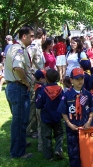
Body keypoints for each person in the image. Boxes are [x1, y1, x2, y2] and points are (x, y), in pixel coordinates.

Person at [4, 25, 35, 158]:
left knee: (20, 120)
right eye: (31, 36)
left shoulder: (14, 48)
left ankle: (20, 144)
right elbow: (18, 67)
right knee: (20, 121)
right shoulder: (19, 50)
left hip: (13, 87)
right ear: (24, 36)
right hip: (18, 87)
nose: (33, 38)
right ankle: (18, 152)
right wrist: (26, 82)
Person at [57, 68, 93, 167]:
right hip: (72, 129)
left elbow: (92, 108)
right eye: (77, 79)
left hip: (85, 128)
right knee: (73, 151)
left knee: (86, 149)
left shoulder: (87, 94)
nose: (80, 81)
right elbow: (63, 111)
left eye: (82, 78)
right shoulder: (67, 95)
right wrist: (69, 124)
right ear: (71, 80)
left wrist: (89, 121)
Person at [35, 69, 64, 160]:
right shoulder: (60, 90)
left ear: (46, 78)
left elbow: (38, 104)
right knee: (59, 135)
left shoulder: (43, 90)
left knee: (46, 136)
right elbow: (63, 103)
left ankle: (48, 156)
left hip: (46, 118)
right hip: (57, 117)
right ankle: (58, 150)